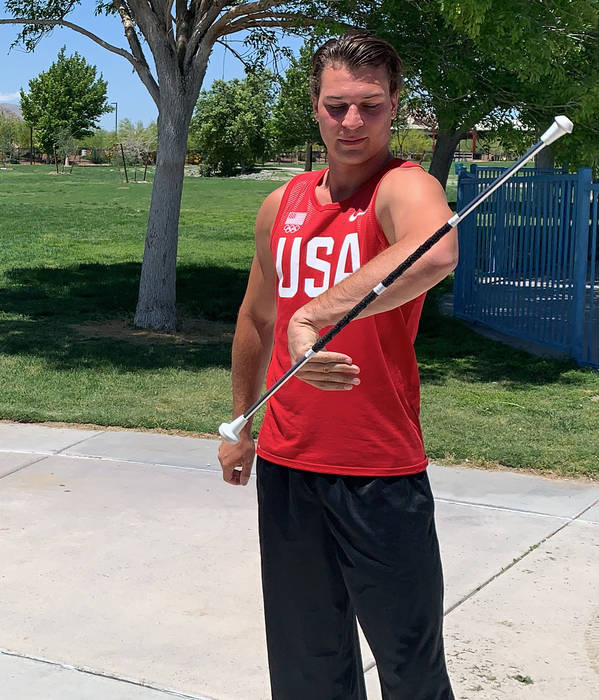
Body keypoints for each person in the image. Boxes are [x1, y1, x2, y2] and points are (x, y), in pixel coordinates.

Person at [217, 32, 457, 700]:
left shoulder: (403, 187)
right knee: (306, 666)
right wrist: (241, 424)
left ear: (396, 105)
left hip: (378, 472)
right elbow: (257, 318)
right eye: (337, 106)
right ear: (315, 107)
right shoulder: (283, 203)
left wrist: (315, 314)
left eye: (370, 106)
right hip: (291, 467)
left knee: (410, 667)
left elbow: (434, 251)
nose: (352, 123)